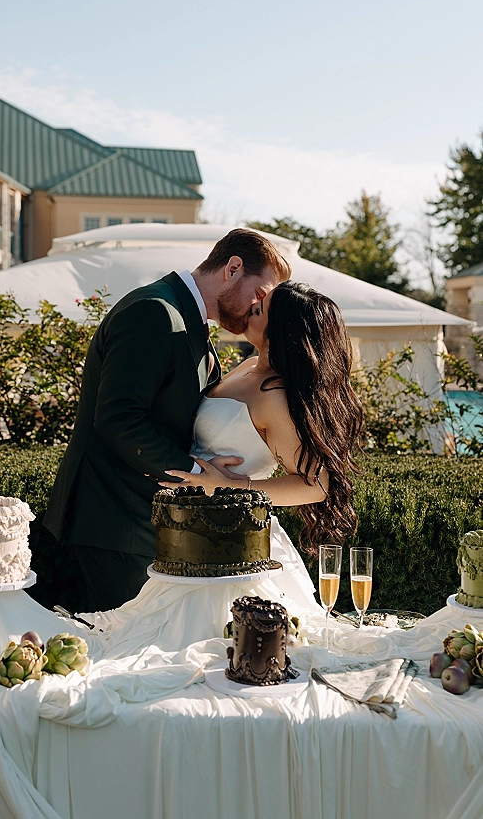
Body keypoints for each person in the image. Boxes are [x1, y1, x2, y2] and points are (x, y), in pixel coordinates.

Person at [43, 228, 292, 611]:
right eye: (259, 295)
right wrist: (198, 472)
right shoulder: (155, 312)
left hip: (145, 520)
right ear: (234, 268)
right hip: (115, 520)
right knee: (124, 653)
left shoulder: (188, 320)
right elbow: (118, 418)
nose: (257, 309)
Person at [160, 280, 365, 565]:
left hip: (230, 536)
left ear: (282, 330)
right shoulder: (247, 367)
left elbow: (315, 485)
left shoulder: (275, 397)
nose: (251, 307)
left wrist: (234, 486)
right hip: (185, 527)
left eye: (261, 309)